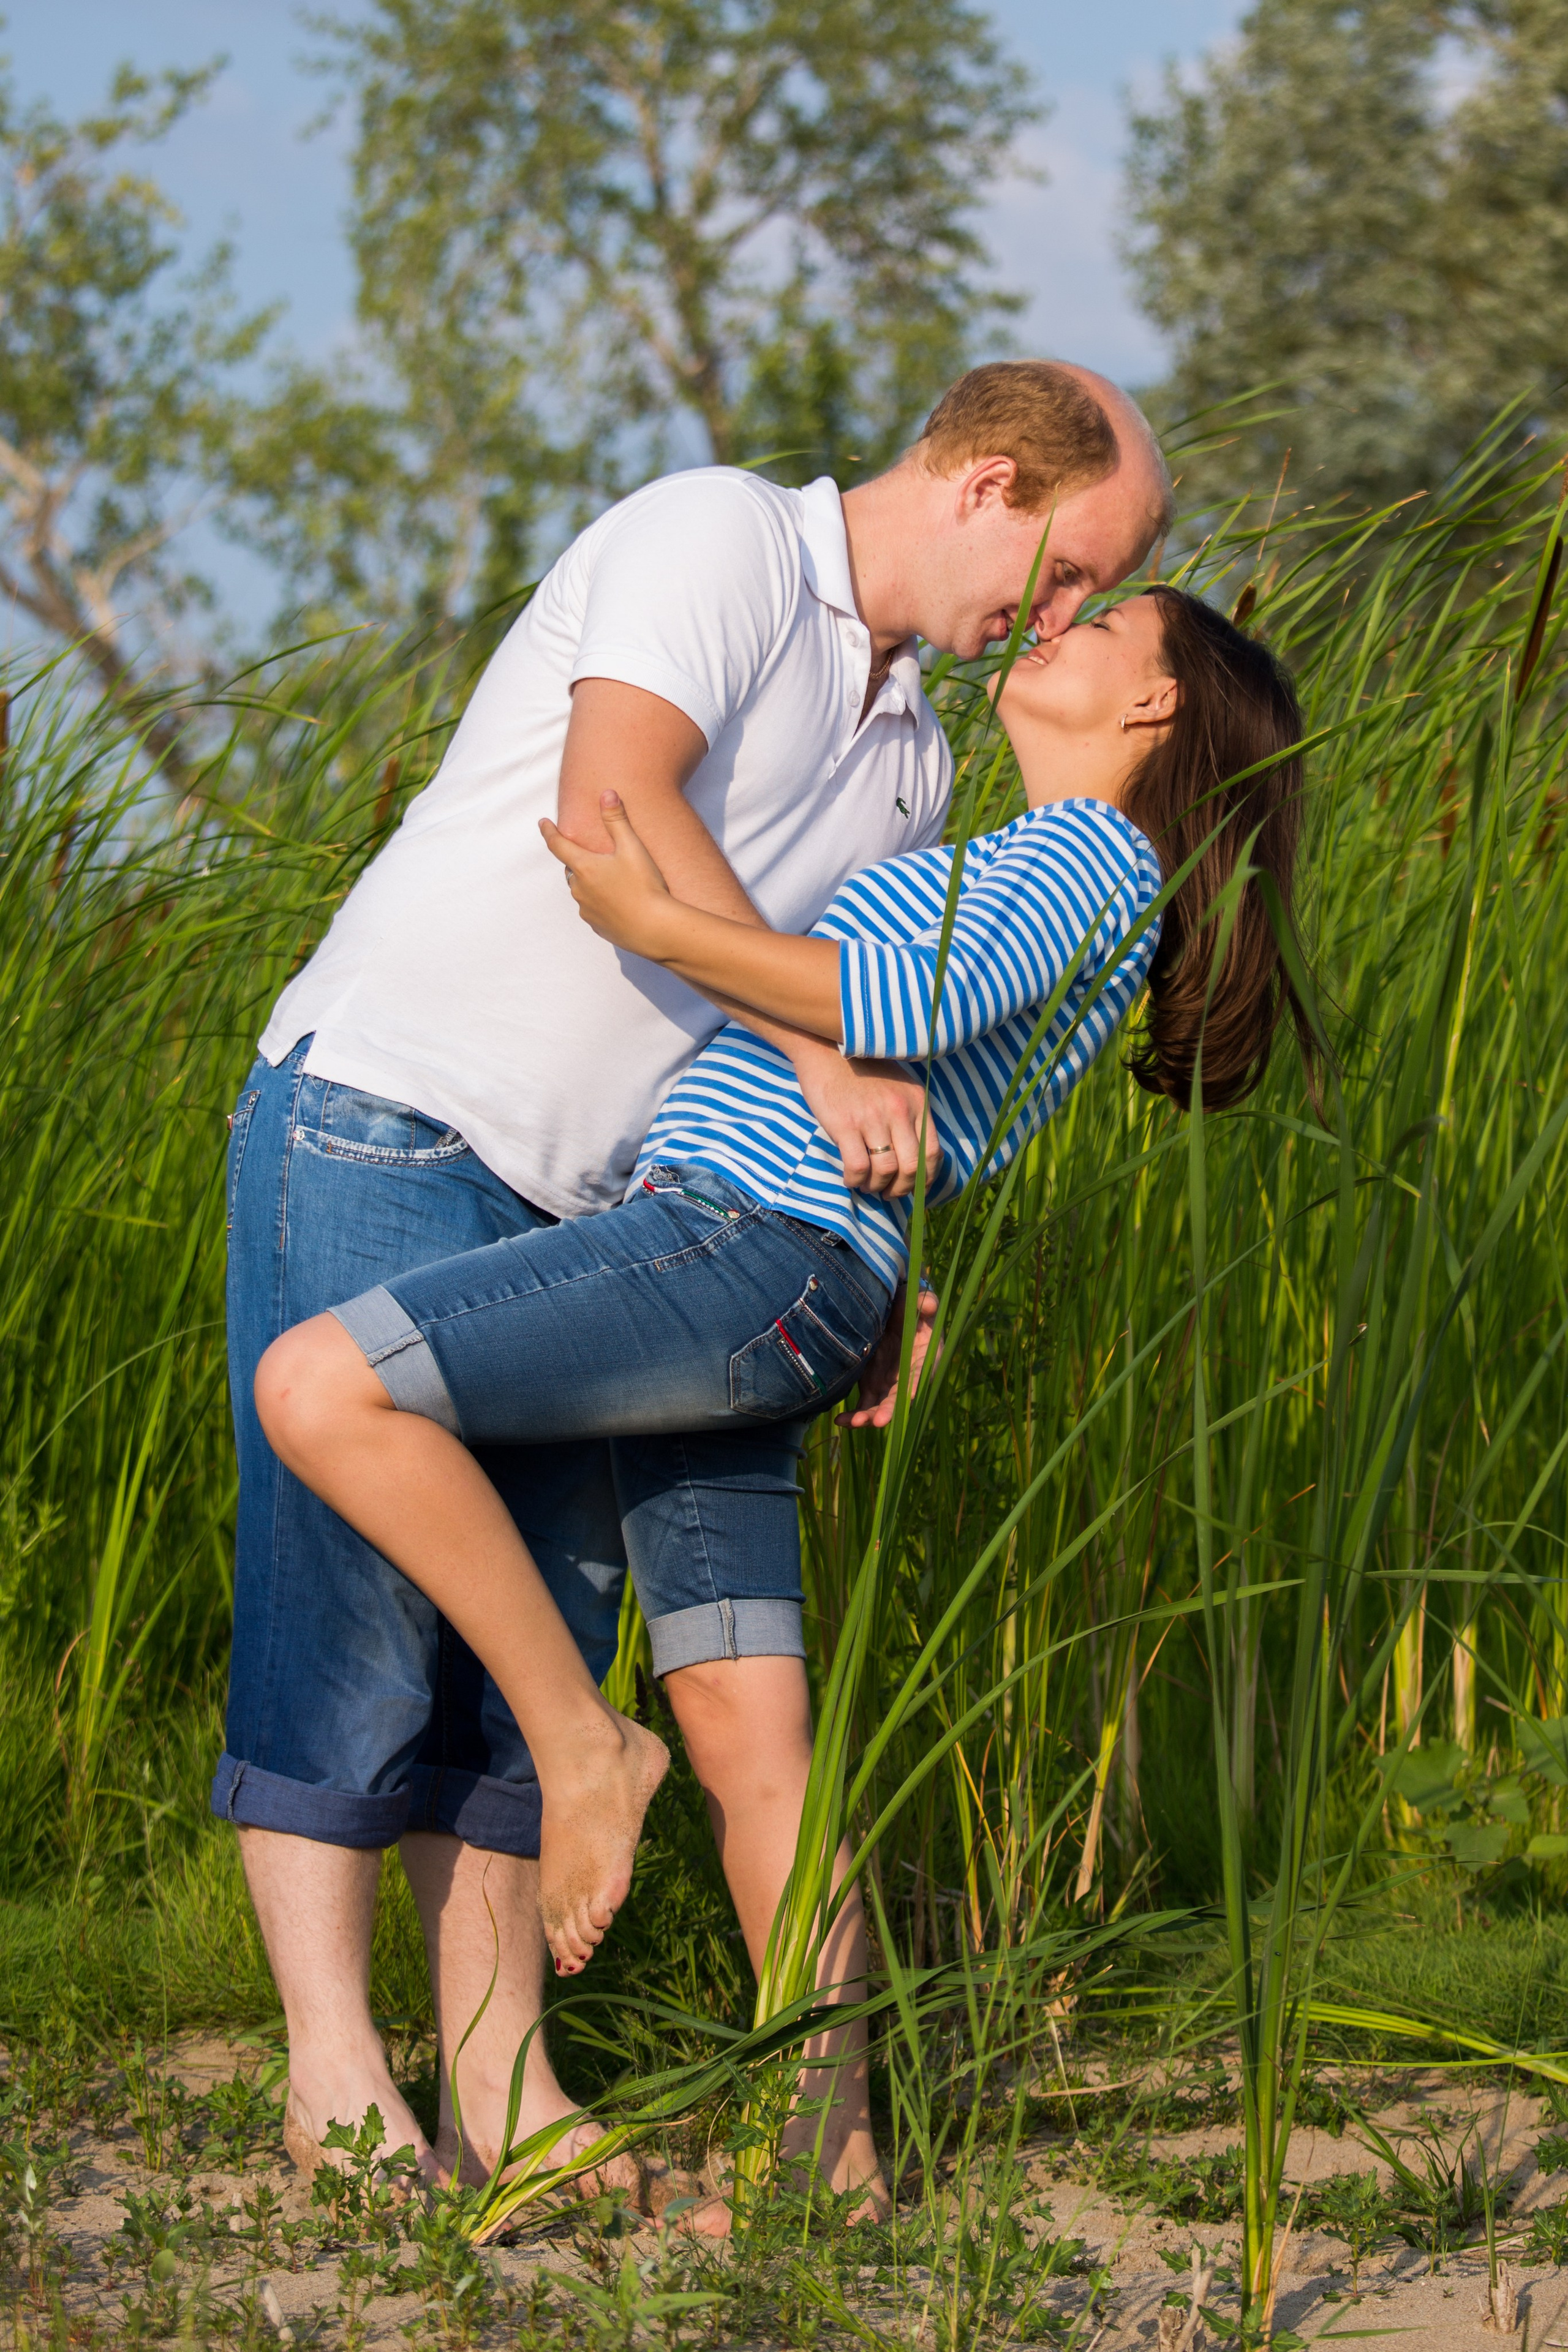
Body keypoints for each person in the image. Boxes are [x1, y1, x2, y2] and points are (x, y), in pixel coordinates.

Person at [219, 357, 1175, 2196]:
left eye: (1088, 605)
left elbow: (895, 1047)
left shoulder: (923, 763)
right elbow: (617, 794)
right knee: (348, 1611)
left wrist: (883, 1251)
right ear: (985, 482)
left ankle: (502, 2083)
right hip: (399, 1107)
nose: (1044, 620)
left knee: (541, 1633)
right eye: (1066, 572)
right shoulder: (721, 538)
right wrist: (822, 1057)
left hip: (618, 1207)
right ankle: (338, 2076)